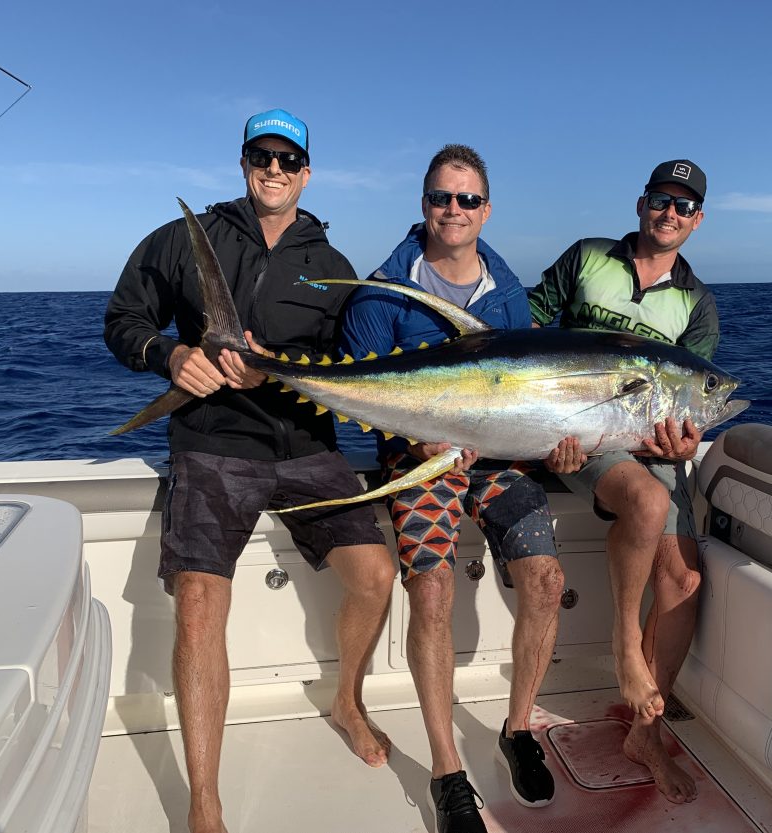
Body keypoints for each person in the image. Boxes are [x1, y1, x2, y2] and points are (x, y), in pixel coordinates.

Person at [104, 109, 397, 833]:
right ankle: (206, 802)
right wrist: (171, 357)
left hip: (305, 444)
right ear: (242, 162)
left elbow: (353, 365)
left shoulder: (331, 266)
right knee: (201, 602)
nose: (274, 168)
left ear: (306, 172)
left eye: (288, 158)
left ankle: (347, 700)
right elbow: (121, 320)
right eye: (261, 155)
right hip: (211, 440)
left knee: (376, 575)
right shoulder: (184, 240)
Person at [341, 145, 581, 833]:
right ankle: (448, 769)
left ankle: (516, 728)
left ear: (486, 209)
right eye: (443, 198)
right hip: (419, 459)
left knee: (544, 577)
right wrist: (420, 444)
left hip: (496, 459)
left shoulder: (508, 296)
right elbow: (368, 397)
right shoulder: (384, 291)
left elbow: (531, 399)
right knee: (433, 586)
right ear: (424, 205)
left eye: (467, 199)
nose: (454, 210)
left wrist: (556, 451)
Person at [527, 159, 719, 805]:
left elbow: (695, 395)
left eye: (684, 206)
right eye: (662, 200)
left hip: (649, 441)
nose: (671, 213)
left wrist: (687, 438)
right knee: (646, 497)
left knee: (685, 578)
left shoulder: (697, 301)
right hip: (580, 434)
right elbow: (525, 326)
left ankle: (645, 731)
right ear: (641, 205)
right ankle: (625, 657)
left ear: (697, 220)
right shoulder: (587, 258)